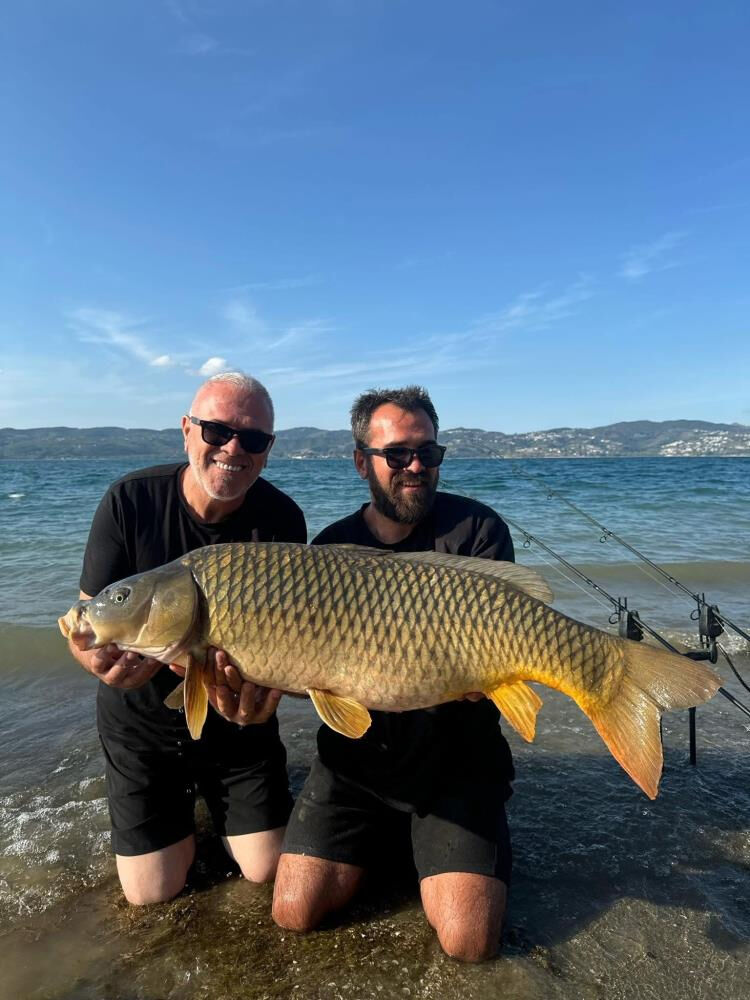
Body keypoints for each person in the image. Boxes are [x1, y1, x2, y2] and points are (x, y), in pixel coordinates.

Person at [270, 385, 515, 962]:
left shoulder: (478, 531)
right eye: (398, 454)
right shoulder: (329, 548)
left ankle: (445, 846)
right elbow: (309, 665)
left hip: (456, 763)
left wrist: (491, 674)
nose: (414, 467)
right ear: (361, 462)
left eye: (427, 453)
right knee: (293, 912)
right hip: (356, 763)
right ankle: (389, 841)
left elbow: (500, 648)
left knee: (468, 943)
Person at [67, 372, 306, 905]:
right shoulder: (129, 500)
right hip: (142, 729)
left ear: (268, 449)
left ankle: (224, 805)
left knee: (267, 870)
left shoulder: (283, 518)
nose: (232, 449)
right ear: (186, 429)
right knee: (152, 894)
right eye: (217, 430)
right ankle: (176, 814)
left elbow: (292, 647)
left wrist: (260, 701)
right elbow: (86, 622)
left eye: (253, 439)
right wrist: (95, 662)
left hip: (236, 732)